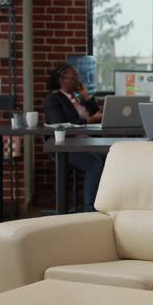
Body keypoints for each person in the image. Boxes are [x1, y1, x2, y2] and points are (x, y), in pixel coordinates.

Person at [43, 64, 104, 212]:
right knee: (95, 164)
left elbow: (96, 115)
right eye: (74, 76)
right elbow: (60, 123)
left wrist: (86, 96)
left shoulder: (77, 98)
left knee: (113, 156)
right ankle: (90, 210)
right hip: (67, 146)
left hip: (86, 142)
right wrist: (90, 120)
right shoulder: (53, 100)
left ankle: (105, 203)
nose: (78, 79)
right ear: (62, 80)